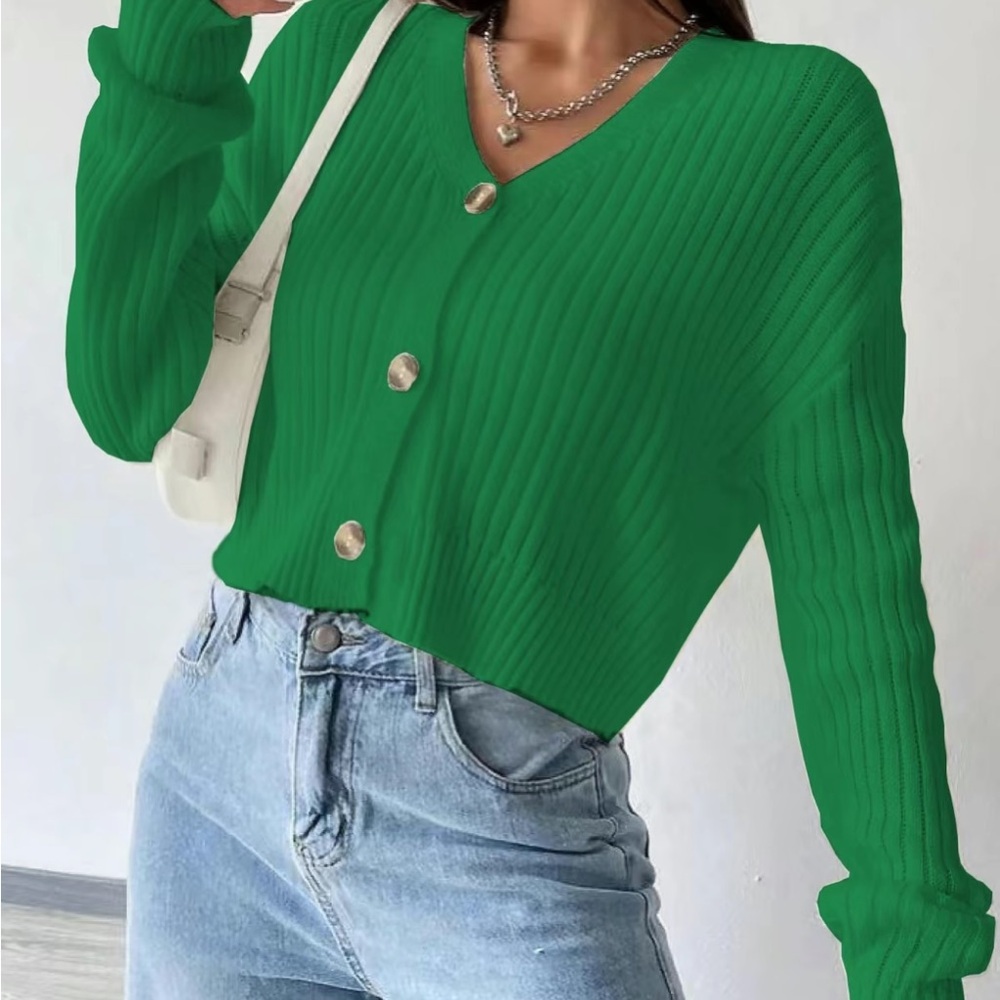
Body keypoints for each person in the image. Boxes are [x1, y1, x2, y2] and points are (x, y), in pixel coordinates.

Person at [65, 0, 995, 997]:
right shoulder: (343, 47)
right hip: (218, 795)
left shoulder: (793, 128)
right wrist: (181, 27)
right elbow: (126, 397)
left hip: (505, 838)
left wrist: (909, 955)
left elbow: (847, 571)